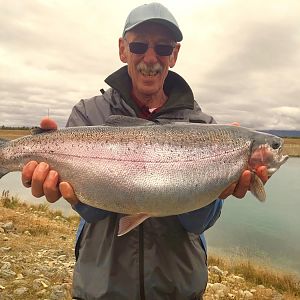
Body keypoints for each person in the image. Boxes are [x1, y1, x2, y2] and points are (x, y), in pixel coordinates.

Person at [22, 3, 268, 300]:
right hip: (101, 288)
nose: (150, 58)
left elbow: (198, 223)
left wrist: (214, 188)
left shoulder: (204, 127)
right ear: (122, 49)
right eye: (139, 45)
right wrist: (60, 184)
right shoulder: (88, 114)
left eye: (162, 48)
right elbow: (91, 211)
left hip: (177, 289)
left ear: (174, 54)